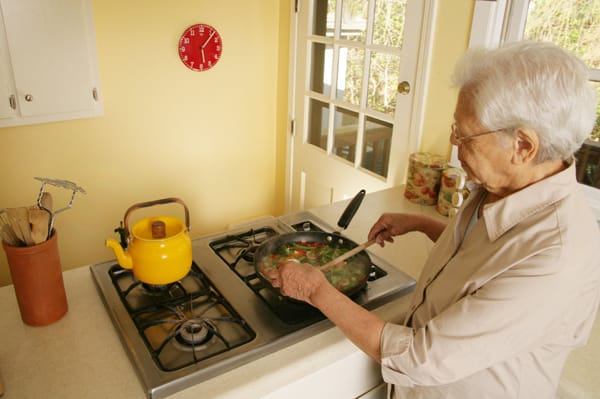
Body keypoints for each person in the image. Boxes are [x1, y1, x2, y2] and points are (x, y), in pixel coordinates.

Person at [266, 40, 600, 398]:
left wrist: (315, 289)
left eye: (465, 134)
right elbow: (485, 264)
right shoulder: (505, 188)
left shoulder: (557, 258)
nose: (455, 144)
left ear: (523, 147)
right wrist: (424, 225)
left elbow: (420, 359)